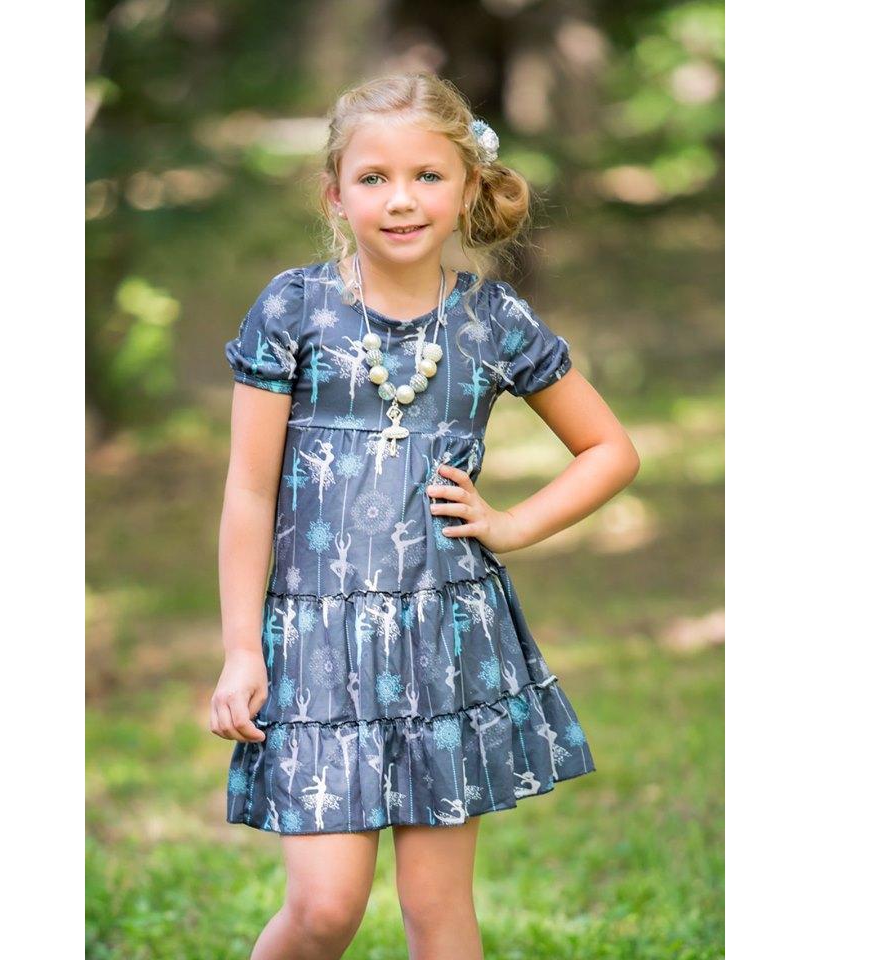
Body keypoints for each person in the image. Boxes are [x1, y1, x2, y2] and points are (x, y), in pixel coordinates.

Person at [210, 72, 640, 960]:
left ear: (468, 186)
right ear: (335, 193)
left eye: (427, 176)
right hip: (317, 646)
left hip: (443, 641)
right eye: (373, 177)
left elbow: (610, 450)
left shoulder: (492, 320)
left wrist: (512, 525)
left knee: (438, 913)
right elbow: (249, 491)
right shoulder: (295, 309)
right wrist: (243, 649)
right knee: (325, 908)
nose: (401, 199)